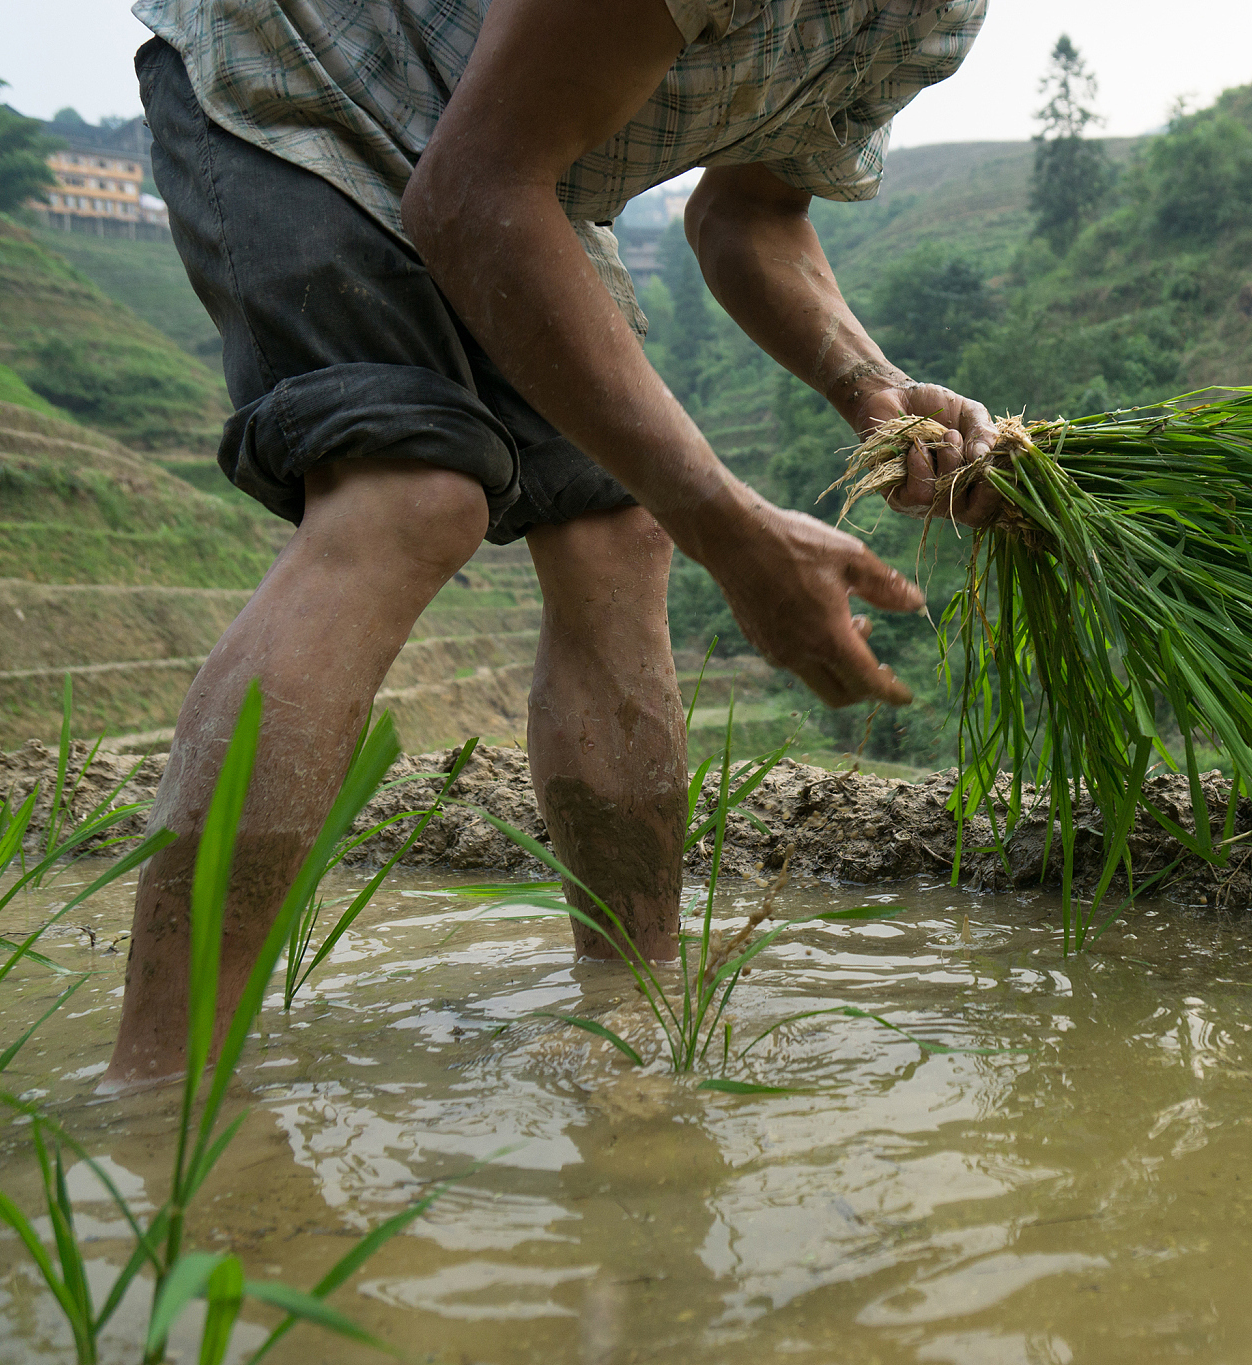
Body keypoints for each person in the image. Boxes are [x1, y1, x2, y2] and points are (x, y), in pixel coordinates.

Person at [105, 0, 1002, 1087]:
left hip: (520, 163)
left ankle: (633, 1010)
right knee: (410, 497)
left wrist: (871, 389)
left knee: (619, 533)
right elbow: (471, 190)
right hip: (313, 69)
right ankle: (160, 1093)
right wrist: (729, 528)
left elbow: (751, 214)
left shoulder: (929, 19)